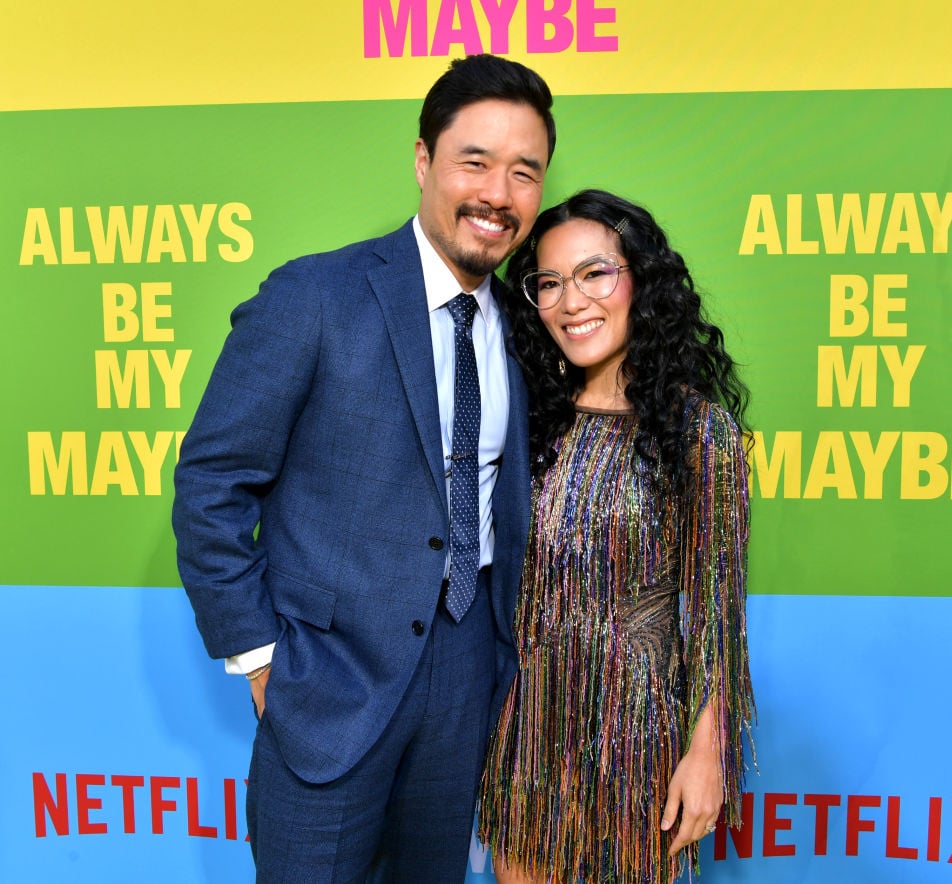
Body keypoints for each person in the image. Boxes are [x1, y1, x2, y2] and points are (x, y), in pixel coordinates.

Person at [171, 54, 555, 882]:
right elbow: (212, 482)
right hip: (327, 680)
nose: (498, 193)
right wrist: (261, 659)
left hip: (467, 680)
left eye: (524, 172)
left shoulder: (531, 328)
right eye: (475, 161)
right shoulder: (314, 296)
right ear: (423, 160)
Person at [477, 189, 756, 883]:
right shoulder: (520, 422)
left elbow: (717, 611)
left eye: (595, 273)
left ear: (641, 281)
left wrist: (707, 751)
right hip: (523, 738)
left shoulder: (699, 432)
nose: (573, 302)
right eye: (549, 282)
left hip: (637, 746)